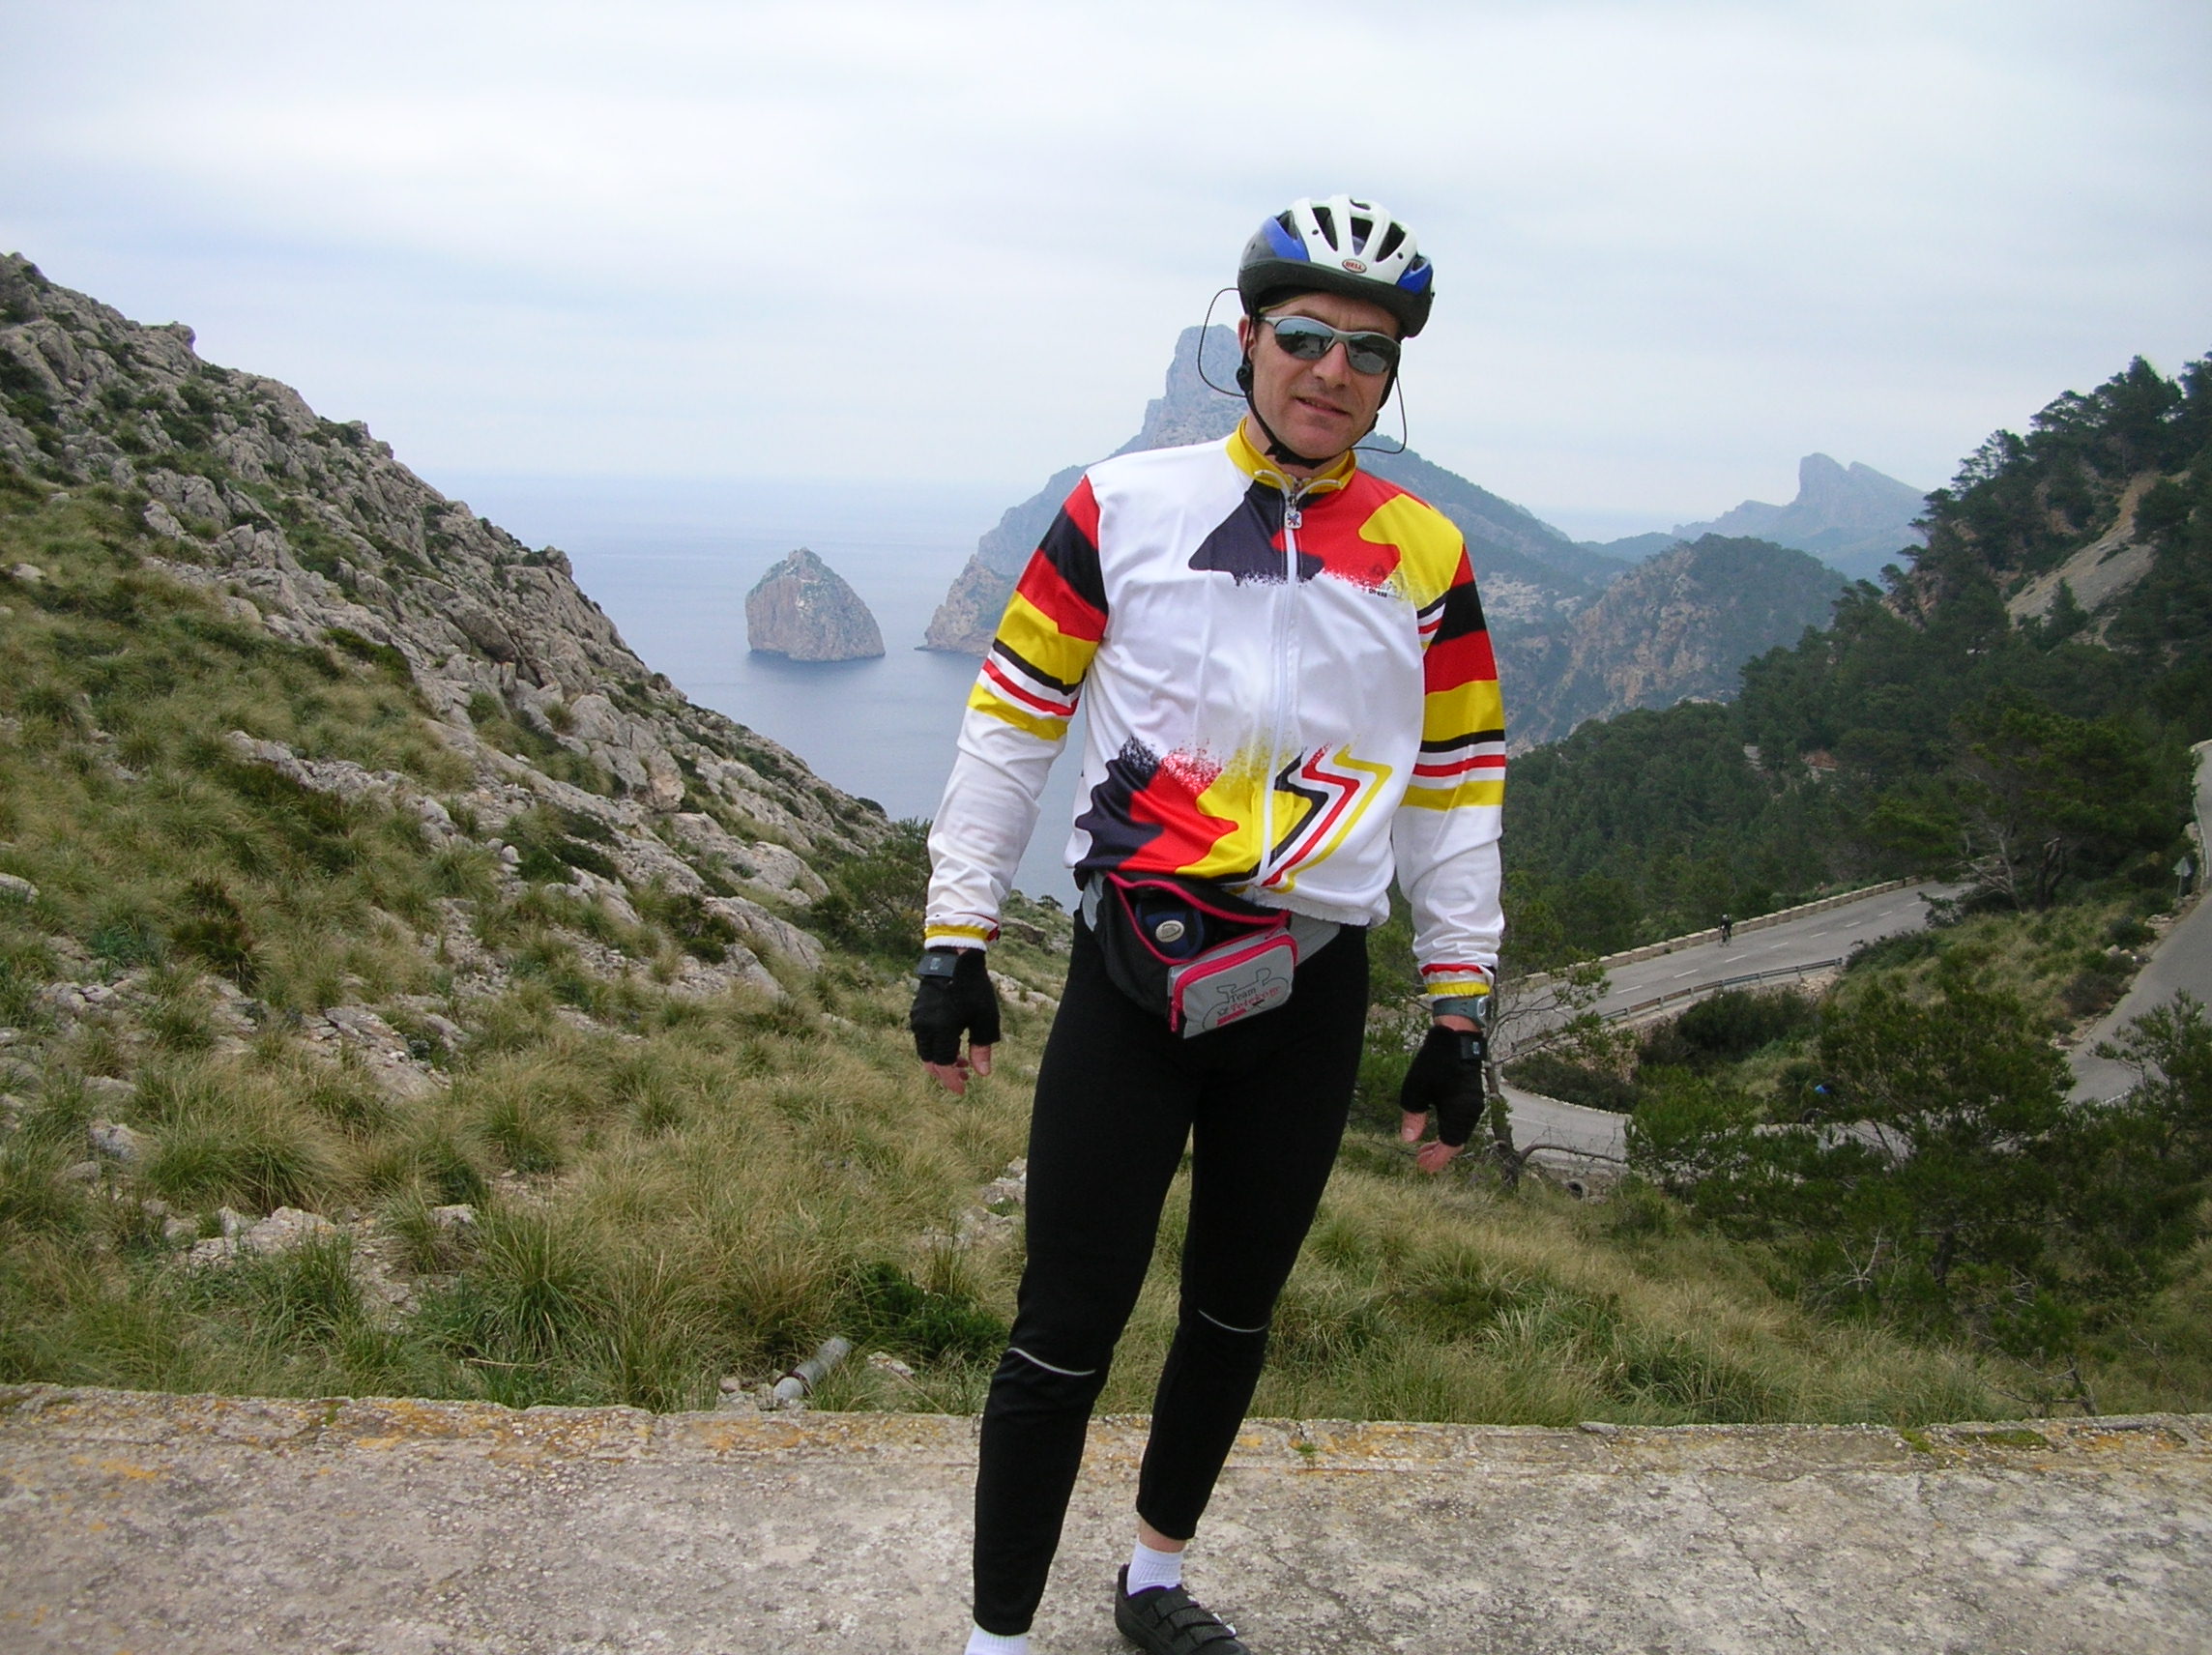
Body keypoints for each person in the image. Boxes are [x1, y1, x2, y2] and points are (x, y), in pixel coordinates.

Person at [911, 195, 1506, 1655]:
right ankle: (996, 1641)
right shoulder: (1122, 507)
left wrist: (1457, 1006)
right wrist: (955, 938)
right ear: (1243, 340)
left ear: (1392, 376)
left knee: (1234, 1316)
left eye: (1368, 352)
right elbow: (1012, 721)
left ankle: (1154, 1582)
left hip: (1310, 986)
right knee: (1064, 1326)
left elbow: (1457, 787)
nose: (1332, 371)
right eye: (1303, 336)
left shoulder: (1427, 553)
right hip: (1135, 970)